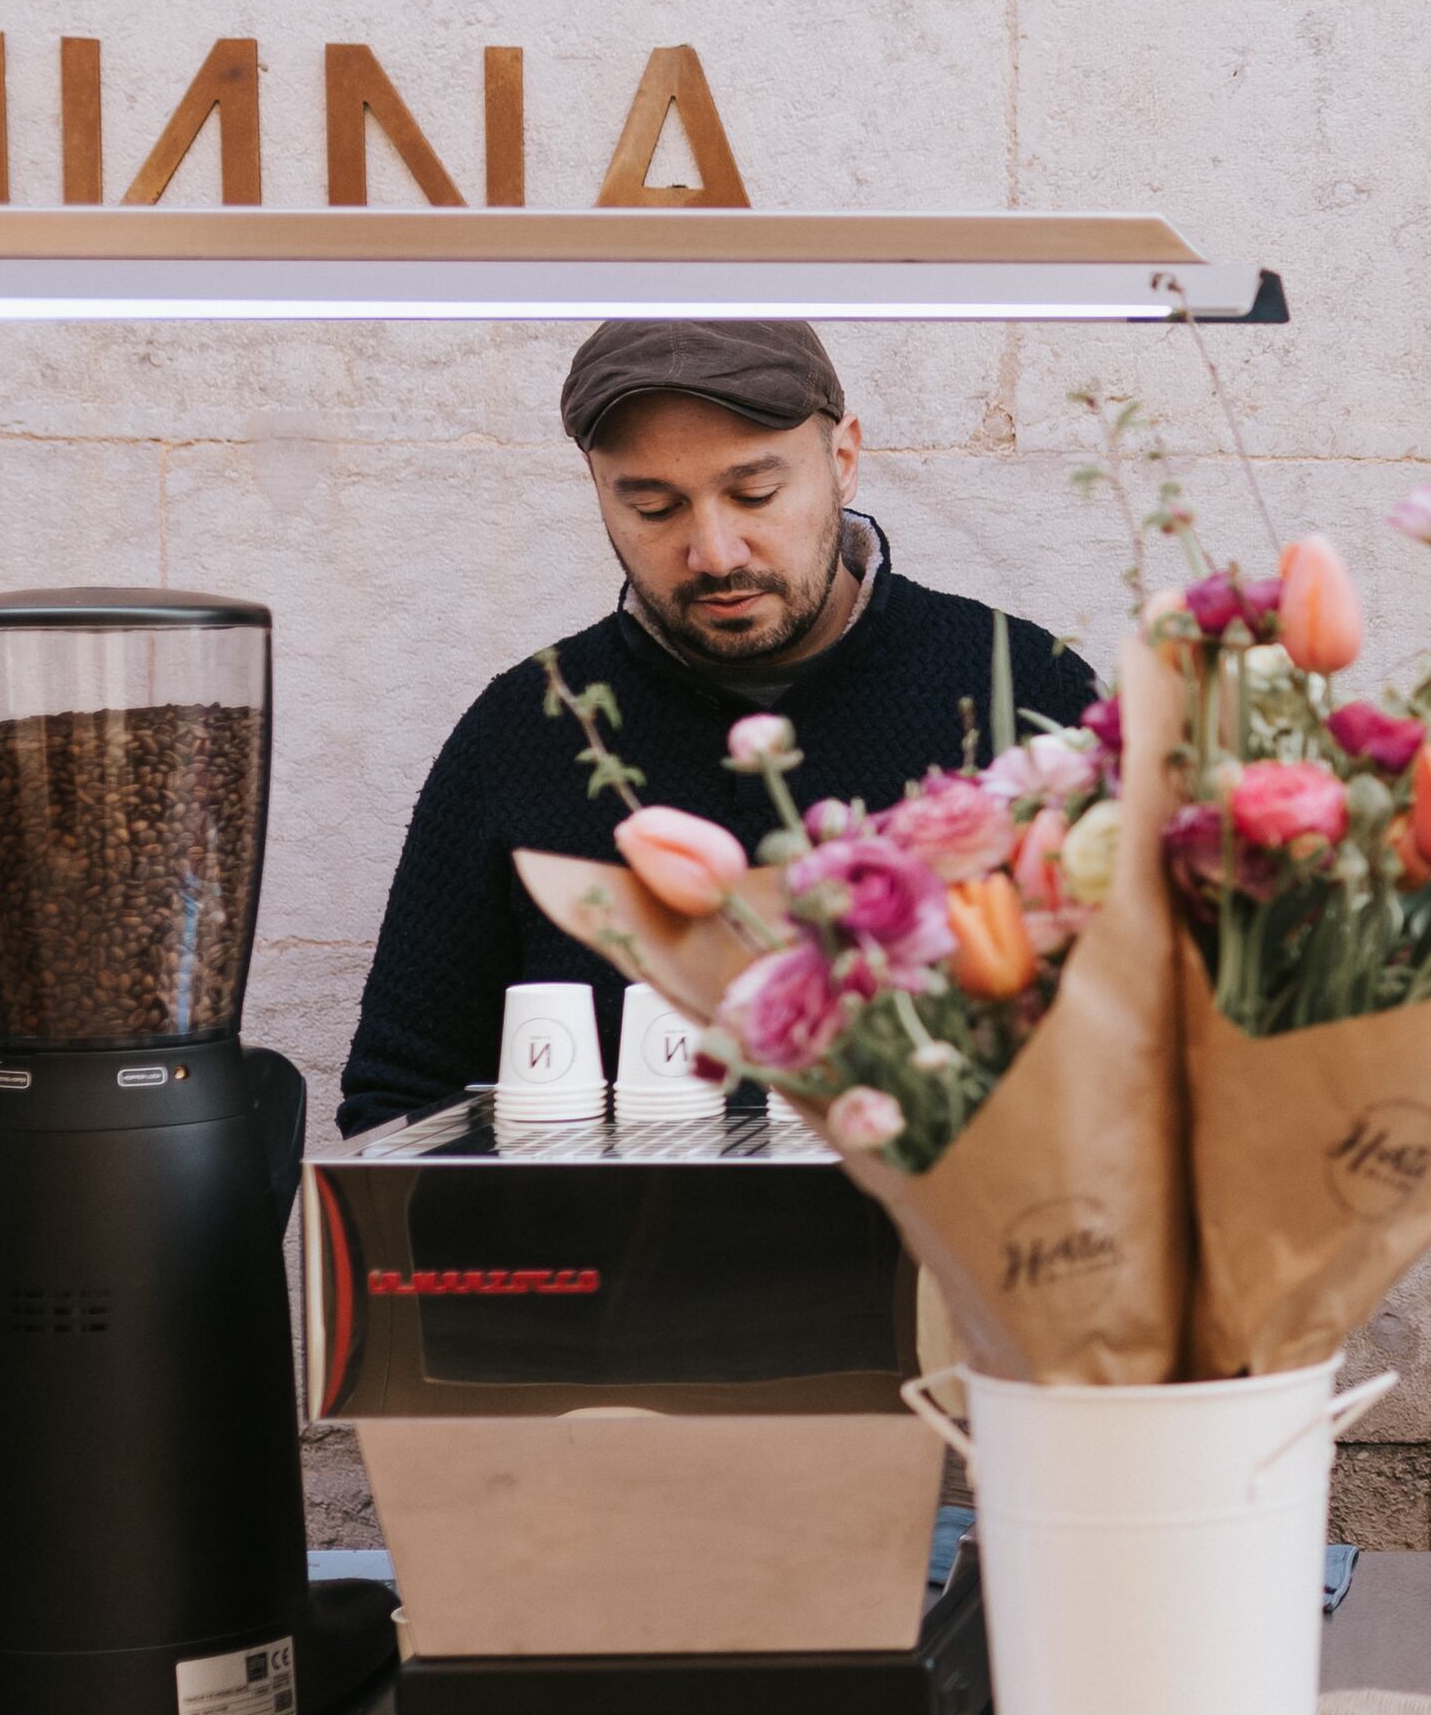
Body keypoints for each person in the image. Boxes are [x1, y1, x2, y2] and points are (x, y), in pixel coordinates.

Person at [337, 320, 1096, 1131]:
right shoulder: (527, 728)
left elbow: (1139, 1056)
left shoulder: (1022, 689)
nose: (715, 551)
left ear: (842, 459)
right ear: (598, 491)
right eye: (654, 508)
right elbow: (401, 1097)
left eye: (754, 494)